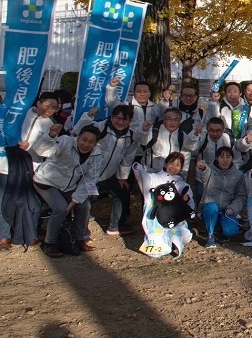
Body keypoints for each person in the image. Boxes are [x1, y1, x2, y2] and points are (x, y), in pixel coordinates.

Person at [71, 104, 146, 236]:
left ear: (130, 121)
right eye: (118, 118)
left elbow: (127, 157)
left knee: (122, 192)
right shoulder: (100, 127)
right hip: (88, 173)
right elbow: (78, 132)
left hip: (107, 175)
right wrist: (88, 116)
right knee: (84, 200)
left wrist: (122, 177)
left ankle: (115, 226)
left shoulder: (130, 136)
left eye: (125, 119)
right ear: (112, 117)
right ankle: (78, 230)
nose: (120, 122)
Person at [33, 124, 102, 258]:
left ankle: (78, 238)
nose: (86, 144)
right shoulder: (65, 141)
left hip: (67, 185)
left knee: (84, 204)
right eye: (84, 139)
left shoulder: (97, 154)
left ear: (95, 144)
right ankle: (49, 243)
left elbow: (90, 179)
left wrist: (75, 199)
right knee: (61, 208)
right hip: (46, 180)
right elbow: (42, 151)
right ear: (78, 137)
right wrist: (51, 136)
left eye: (91, 142)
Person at [132, 152, 194, 259]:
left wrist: (187, 199)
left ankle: (175, 242)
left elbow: (190, 205)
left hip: (174, 218)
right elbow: (144, 179)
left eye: (177, 165)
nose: (174, 167)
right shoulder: (154, 178)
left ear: (181, 168)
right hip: (156, 218)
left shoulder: (183, 185)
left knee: (182, 234)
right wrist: (139, 169)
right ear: (165, 164)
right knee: (156, 247)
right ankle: (164, 244)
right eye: (171, 163)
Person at [196, 146, 247, 248]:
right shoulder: (210, 170)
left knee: (231, 230)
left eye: (228, 157)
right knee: (212, 207)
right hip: (210, 209)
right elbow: (204, 174)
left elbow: (241, 196)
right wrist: (203, 168)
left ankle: (223, 232)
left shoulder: (238, 175)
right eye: (222, 157)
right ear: (217, 158)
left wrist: (232, 208)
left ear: (232, 158)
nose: (225, 160)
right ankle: (210, 235)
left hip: (226, 211)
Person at [140, 107, 202, 173]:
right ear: (163, 119)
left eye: (176, 120)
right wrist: (144, 130)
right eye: (169, 119)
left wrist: (196, 133)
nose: (172, 122)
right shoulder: (154, 130)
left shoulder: (181, 134)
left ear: (180, 121)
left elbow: (191, 146)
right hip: (152, 173)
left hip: (173, 173)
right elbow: (142, 141)